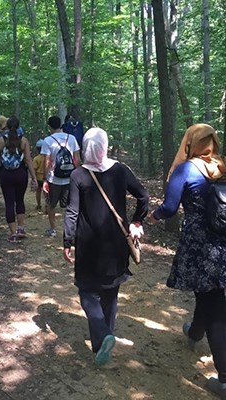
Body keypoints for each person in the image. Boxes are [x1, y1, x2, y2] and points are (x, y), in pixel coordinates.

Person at [149, 123, 226, 398]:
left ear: (190, 143)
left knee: (214, 304)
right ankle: (194, 333)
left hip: (199, 244)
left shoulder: (186, 169)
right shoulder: (222, 166)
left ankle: (224, 377)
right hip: (223, 241)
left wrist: (153, 216)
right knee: (207, 294)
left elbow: (170, 207)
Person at [63, 127, 149, 366]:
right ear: (105, 145)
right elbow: (143, 195)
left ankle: (102, 336)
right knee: (110, 294)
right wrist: (137, 221)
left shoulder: (78, 175)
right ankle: (104, 343)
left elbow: (72, 211)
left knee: (86, 291)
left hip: (88, 245)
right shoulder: (120, 170)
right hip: (116, 245)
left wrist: (67, 241)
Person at [0, 116, 38, 243]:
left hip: (6, 175)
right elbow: (28, 160)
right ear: (19, 126)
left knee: (9, 202)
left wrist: (1, 167)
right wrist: (33, 177)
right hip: (21, 174)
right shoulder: (23, 140)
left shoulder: (1, 141)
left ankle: (13, 234)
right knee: (20, 200)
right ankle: (21, 228)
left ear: (6, 126)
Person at [41, 115, 81, 237]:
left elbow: (47, 162)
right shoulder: (72, 138)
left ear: (49, 126)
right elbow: (77, 159)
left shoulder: (47, 140)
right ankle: (70, 230)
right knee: (71, 206)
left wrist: (45, 178)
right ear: (61, 125)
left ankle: (53, 229)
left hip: (54, 179)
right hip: (70, 178)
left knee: (51, 204)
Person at [32, 139, 46, 211]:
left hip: (38, 178)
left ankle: (39, 205)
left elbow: (34, 169)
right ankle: (47, 206)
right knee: (46, 192)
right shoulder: (47, 158)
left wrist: (33, 179)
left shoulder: (36, 159)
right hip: (46, 178)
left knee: (38, 192)